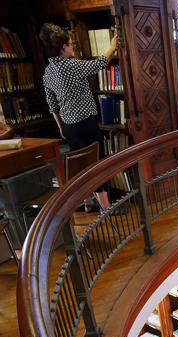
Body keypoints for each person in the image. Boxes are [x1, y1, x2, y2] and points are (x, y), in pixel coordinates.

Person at [40, 23, 122, 211]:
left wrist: (61, 127)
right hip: (84, 123)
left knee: (80, 168)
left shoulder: (48, 72)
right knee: (97, 163)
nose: (72, 46)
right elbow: (99, 64)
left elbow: (52, 103)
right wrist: (112, 47)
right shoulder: (71, 65)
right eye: (70, 43)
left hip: (68, 127)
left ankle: (88, 202)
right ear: (64, 47)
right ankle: (107, 207)